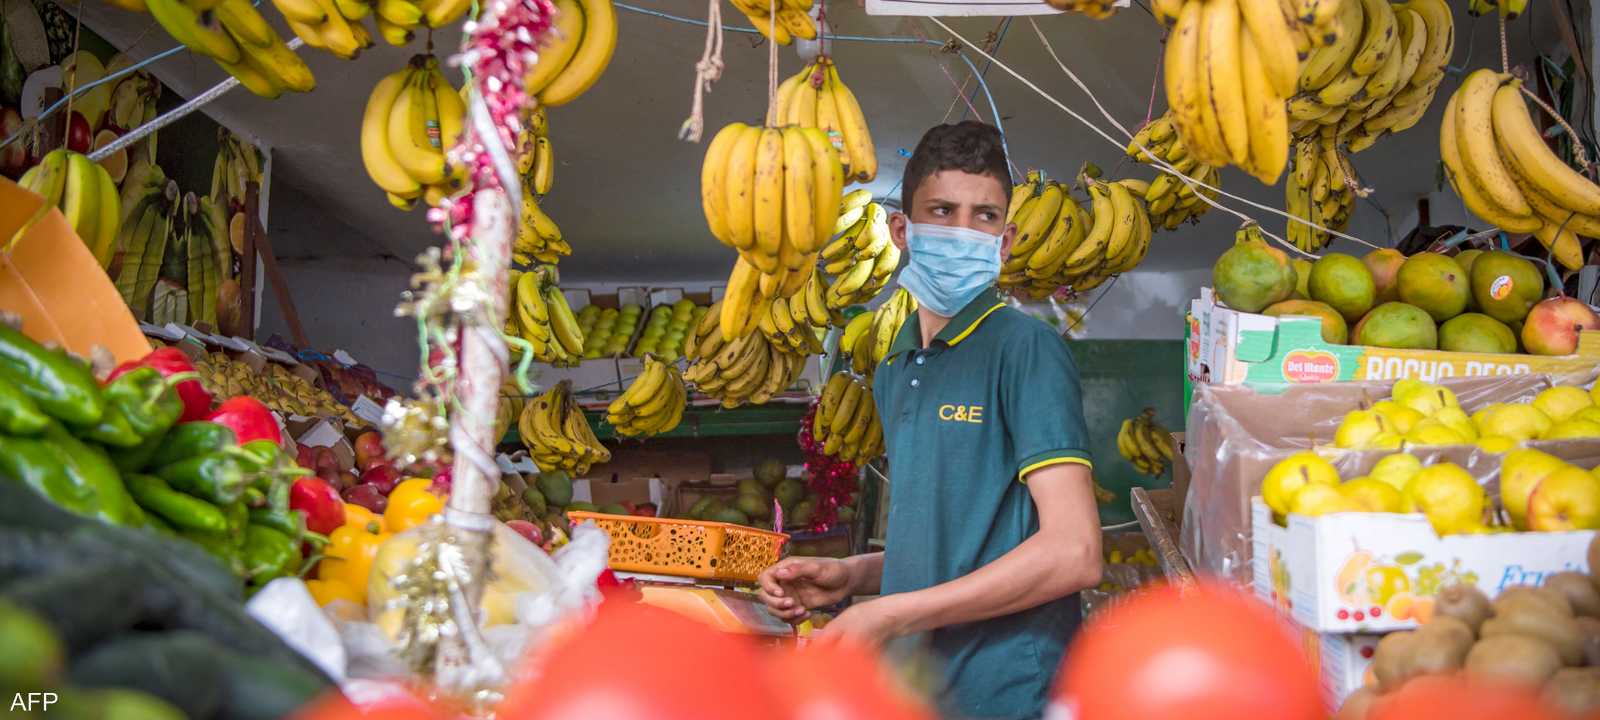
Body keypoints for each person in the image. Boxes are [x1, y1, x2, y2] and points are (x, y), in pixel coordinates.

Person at [756, 121, 1103, 720]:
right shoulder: (895, 363)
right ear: (902, 230)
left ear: (1007, 239)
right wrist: (851, 576)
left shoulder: (1026, 351)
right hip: (916, 689)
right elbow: (956, 542)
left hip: (1006, 694)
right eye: (942, 211)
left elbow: (1074, 552)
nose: (963, 231)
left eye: (985, 216)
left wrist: (889, 613)